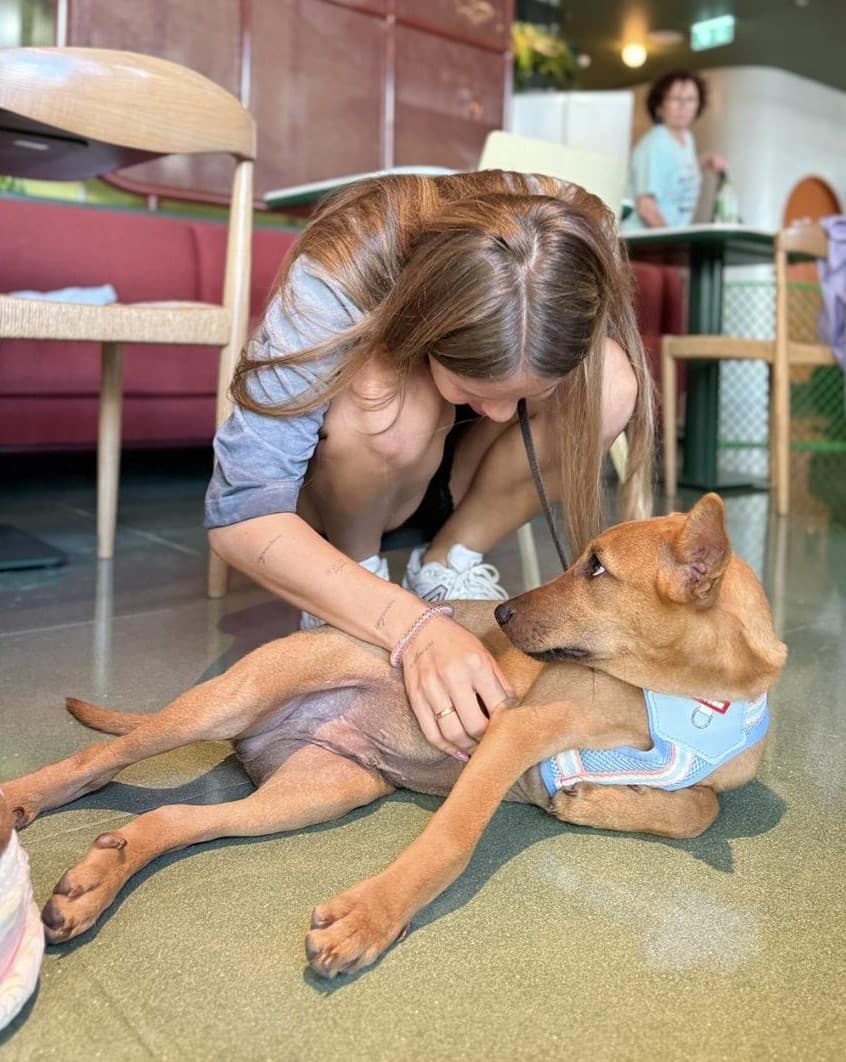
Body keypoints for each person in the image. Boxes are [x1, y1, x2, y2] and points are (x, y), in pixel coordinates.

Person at [206, 170, 654, 761]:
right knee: (381, 393)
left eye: (526, 392)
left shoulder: (575, 245)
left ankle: (451, 558)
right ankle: (358, 572)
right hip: (345, 480)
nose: (500, 417)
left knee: (613, 382)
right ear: (430, 324)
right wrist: (410, 628)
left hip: (454, 475)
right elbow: (243, 511)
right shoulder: (345, 259)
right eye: (476, 387)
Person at [623, 69, 727, 231]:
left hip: (667, 237)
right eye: (676, 98)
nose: (683, 106)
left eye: (691, 99)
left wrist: (705, 160)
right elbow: (646, 207)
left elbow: (676, 173)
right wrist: (673, 240)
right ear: (660, 104)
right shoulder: (655, 144)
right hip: (646, 241)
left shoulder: (686, 138)